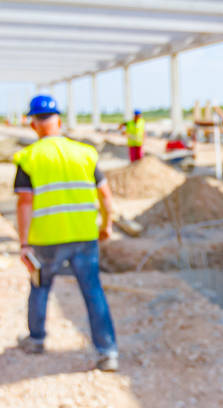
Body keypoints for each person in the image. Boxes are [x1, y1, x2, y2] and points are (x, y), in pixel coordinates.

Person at [14, 95, 119, 371]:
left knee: (40, 287)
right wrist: (106, 226)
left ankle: (36, 339)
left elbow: (24, 203)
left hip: (46, 240)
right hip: (85, 237)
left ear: (33, 124)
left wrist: (24, 244)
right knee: (93, 292)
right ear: (59, 120)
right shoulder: (84, 154)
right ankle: (107, 352)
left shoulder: (29, 157)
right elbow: (106, 197)